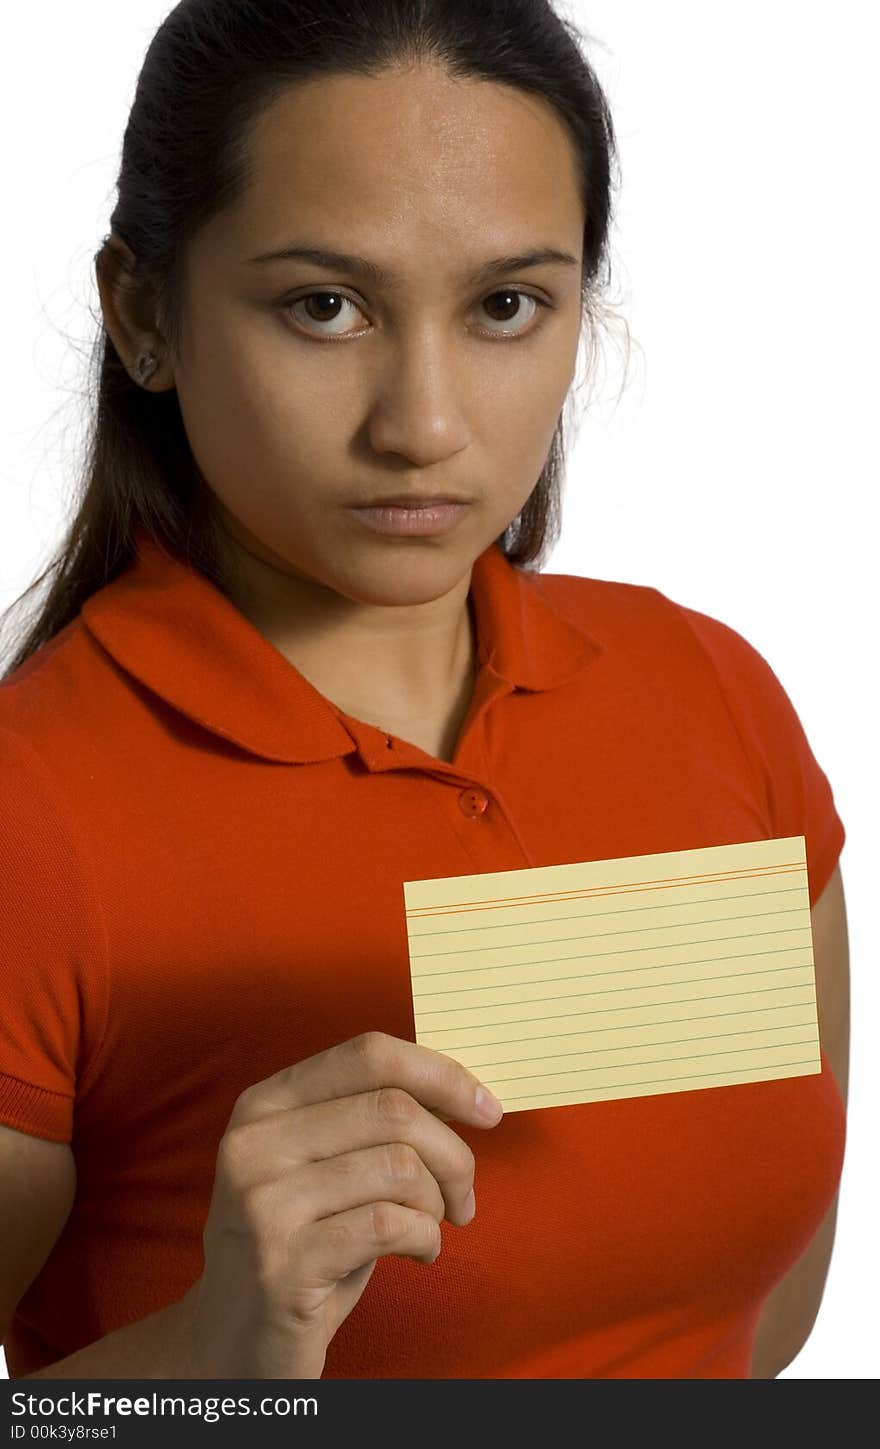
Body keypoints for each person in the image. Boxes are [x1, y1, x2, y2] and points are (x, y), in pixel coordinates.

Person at [0, 0, 849, 1381]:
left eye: (507, 305)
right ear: (145, 313)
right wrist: (224, 1346)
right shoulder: (28, 814)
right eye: (324, 306)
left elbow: (763, 1316)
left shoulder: (714, 697)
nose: (425, 424)